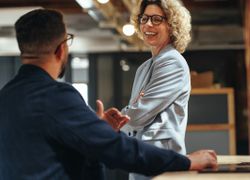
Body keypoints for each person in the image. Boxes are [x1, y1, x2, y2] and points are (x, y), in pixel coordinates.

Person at [0, 9, 217, 180]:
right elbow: (116, 150)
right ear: (61, 49)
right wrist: (186, 162)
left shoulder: (5, 97)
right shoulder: (57, 97)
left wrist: (95, 129)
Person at [120, 0, 192, 179]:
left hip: (161, 164)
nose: (148, 24)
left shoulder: (172, 61)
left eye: (156, 19)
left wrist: (126, 114)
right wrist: (134, 109)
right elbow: (136, 114)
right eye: (144, 19)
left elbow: (137, 115)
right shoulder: (144, 68)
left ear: (171, 25)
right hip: (142, 159)